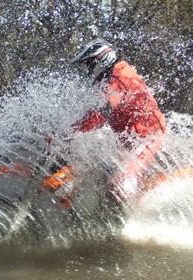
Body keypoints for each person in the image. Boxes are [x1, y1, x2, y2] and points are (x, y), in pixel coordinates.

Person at [69, 39, 167, 202]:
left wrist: (73, 131)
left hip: (147, 136)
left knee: (121, 186)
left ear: (100, 60)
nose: (88, 70)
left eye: (89, 64)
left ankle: (130, 222)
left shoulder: (119, 77)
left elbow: (103, 112)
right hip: (132, 137)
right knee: (102, 179)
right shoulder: (113, 75)